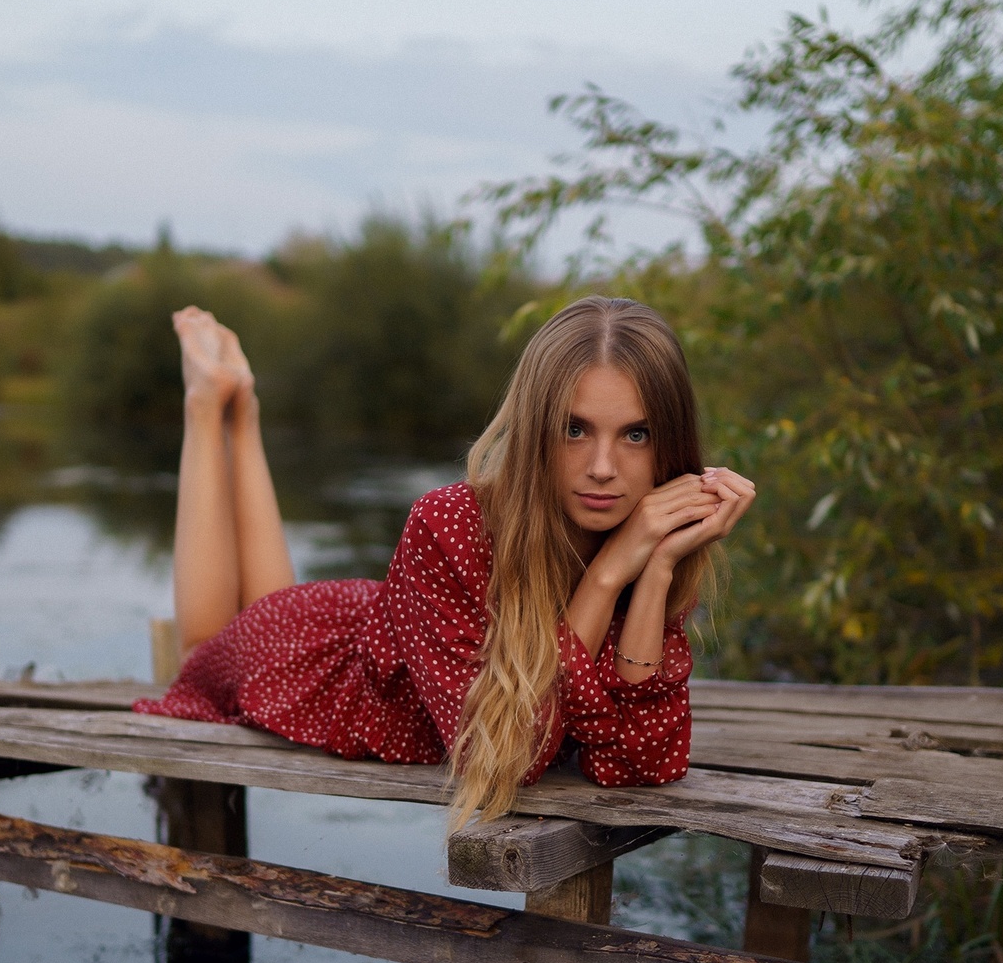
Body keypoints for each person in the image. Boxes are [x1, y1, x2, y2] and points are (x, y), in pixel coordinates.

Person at [135, 296, 756, 823]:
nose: (601, 467)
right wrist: (608, 575)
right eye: (574, 429)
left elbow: (647, 759)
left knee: (259, 608)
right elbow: (505, 760)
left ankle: (242, 413)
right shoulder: (449, 522)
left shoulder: (645, 531)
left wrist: (655, 572)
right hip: (323, 670)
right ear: (536, 428)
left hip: (386, 624)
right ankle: (209, 405)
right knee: (201, 652)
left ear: (668, 446)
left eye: (635, 434)